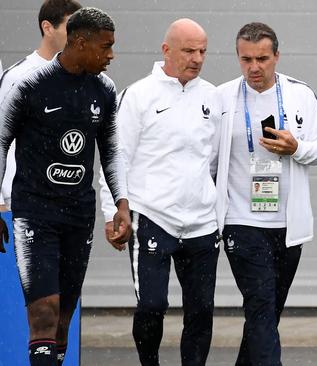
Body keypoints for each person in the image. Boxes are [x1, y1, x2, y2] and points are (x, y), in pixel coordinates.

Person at [0, 7, 130, 366]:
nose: (111, 55)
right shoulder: (27, 84)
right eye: (105, 47)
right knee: (44, 311)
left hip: (78, 214)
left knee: (63, 319)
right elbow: (0, 140)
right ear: (80, 42)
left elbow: (111, 150)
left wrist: (120, 203)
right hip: (34, 212)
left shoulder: (104, 89)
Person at [99, 18, 220, 366]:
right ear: (166, 50)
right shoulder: (138, 95)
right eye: (188, 50)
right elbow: (114, 156)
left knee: (201, 310)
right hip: (151, 216)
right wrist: (112, 213)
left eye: (202, 51)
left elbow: (213, 160)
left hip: (201, 222)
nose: (197, 58)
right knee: (152, 305)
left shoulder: (212, 97)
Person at [214, 22, 317, 366]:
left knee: (267, 313)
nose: (254, 67)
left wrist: (296, 148)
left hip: (288, 224)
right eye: (246, 59)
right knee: (261, 305)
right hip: (240, 220)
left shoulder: (300, 94)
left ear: (276, 56)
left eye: (262, 58)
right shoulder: (221, 98)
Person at [0, 0, 82, 212]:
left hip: (70, 206)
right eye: (70, 28)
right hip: (21, 203)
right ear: (48, 28)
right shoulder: (17, 77)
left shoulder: (85, 78)